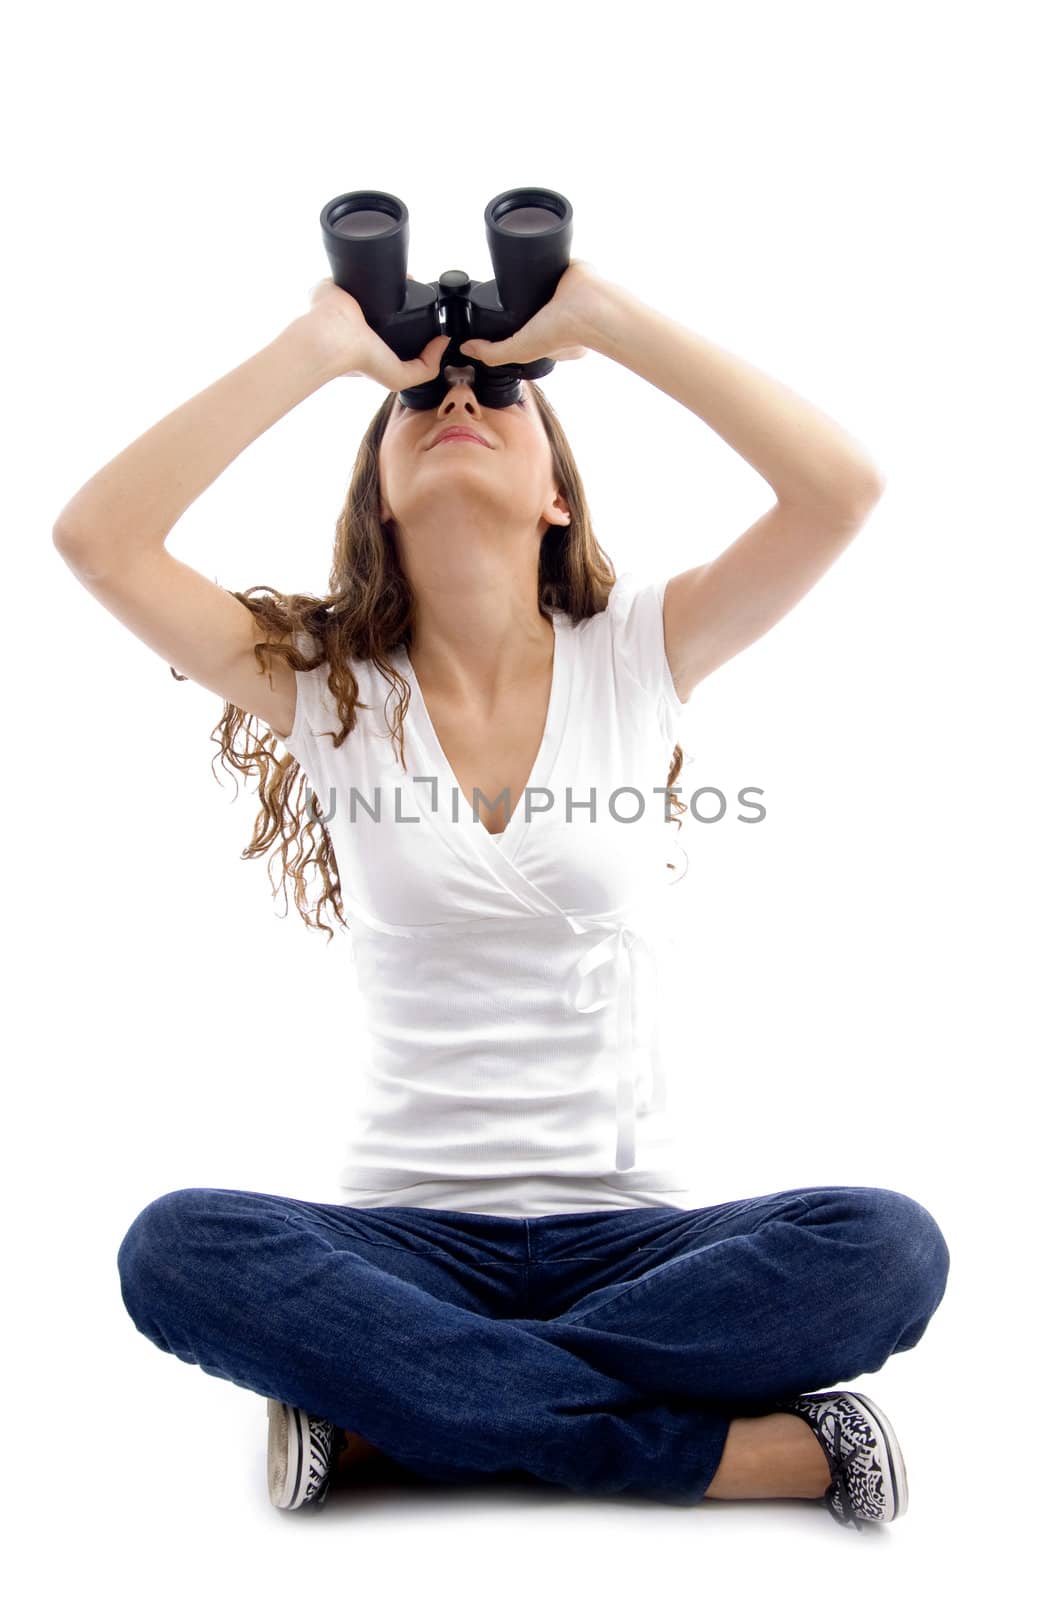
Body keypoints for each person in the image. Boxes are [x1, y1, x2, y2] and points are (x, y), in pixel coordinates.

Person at [52, 263, 949, 1530]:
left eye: (500, 396)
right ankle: (736, 1458)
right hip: (400, 1249)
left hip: (638, 1243)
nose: (457, 399)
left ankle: (395, 1416)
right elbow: (96, 539)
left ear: (555, 497)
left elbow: (838, 489)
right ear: (377, 492)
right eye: (420, 402)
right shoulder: (323, 687)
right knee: (176, 1248)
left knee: (886, 1246)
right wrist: (318, 347)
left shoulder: (639, 650)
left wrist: (599, 320)